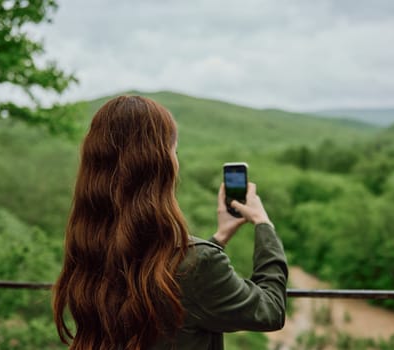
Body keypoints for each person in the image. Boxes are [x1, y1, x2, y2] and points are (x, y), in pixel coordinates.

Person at [52, 95, 288, 350]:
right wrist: (264, 225)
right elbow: (270, 310)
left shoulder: (88, 249)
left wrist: (218, 239)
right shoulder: (197, 264)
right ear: (161, 166)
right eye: (173, 151)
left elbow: (160, 269)